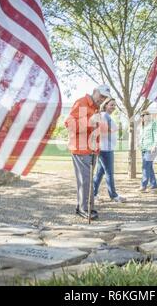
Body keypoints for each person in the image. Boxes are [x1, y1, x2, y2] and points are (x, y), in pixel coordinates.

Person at [65, 85, 110, 220]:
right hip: (80, 148)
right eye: (101, 96)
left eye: (104, 98)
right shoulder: (82, 103)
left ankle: (85, 207)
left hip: (91, 149)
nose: (102, 99)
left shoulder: (96, 108)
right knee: (85, 180)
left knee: (87, 180)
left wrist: (97, 147)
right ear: (94, 91)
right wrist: (90, 122)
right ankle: (84, 209)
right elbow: (69, 124)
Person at [93, 98, 126, 203]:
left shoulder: (106, 116)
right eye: (111, 105)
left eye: (114, 105)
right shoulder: (104, 115)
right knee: (109, 173)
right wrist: (114, 130)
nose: (113, 107)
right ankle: (113, 196)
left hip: (106, 148)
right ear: (105, 105)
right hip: (106, 149)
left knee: (99, 173)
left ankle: (93, 194)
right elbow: (101, 130)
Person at [139, 110, 157, 192]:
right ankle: (153, 184)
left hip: (150, 148)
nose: (145, 116)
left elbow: (156, 135)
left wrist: (154, 145)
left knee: (145, 167)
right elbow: (141, 137)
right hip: (143, 148)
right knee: (149, 167)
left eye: (147, 115)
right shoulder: (142, 126)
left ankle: (143, 185)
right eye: (143, 115)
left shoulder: (153, 124)